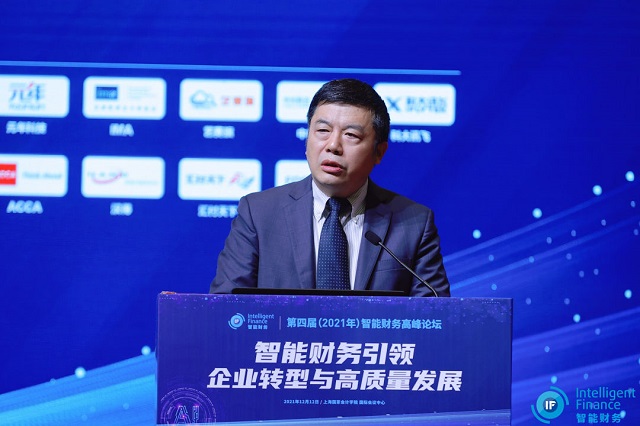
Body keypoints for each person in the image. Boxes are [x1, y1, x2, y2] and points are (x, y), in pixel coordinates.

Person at [210, 78, 450, 297]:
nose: (333, 145)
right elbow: (225, 308)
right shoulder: (259, 213)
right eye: (322, 131)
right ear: (307, 140)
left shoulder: (414, 223)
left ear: (379, 152)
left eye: (351, 135)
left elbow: (435, 318)